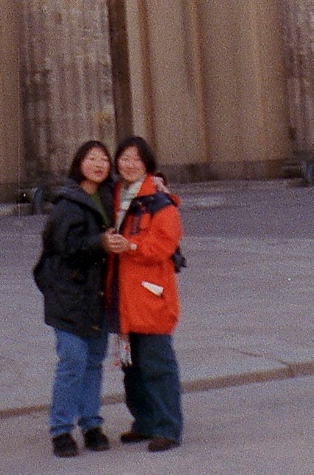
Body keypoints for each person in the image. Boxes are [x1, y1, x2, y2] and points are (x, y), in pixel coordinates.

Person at [34, 141, 116, 459]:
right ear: (79, 163)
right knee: (72, 361)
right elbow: (65, 247)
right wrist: (101, 243)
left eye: (103, 159)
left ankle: (92, 423)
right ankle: (61, 430)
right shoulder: (67, 202)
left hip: (98, 294)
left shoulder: (111, 197)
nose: (98, 164)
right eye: (91, 158)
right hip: (69, 294)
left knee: (93, 363)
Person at [105, 136, 183, 452]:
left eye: (137, 158)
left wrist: (132, 245)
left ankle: (168, 427)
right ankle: (145, 422)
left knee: (157, 366)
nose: (130, 163)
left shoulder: (160, 203)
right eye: (124, 157)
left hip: (150, 295)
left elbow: (165, 246)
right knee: (132, 368)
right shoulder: (116, 195)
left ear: (147, 163)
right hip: (123, 294)